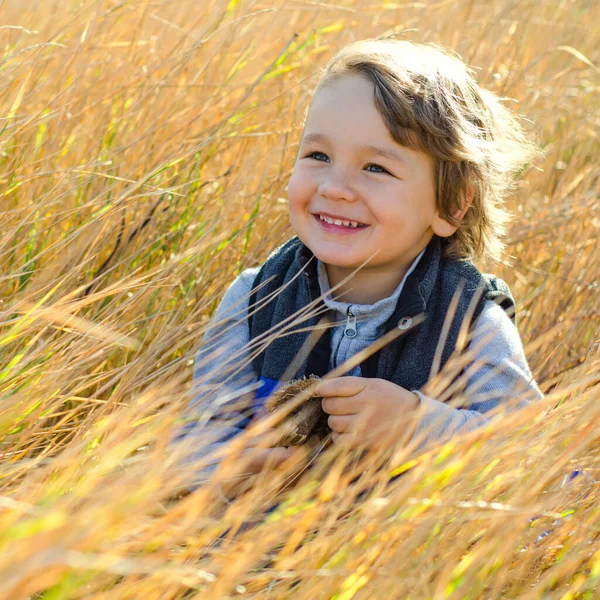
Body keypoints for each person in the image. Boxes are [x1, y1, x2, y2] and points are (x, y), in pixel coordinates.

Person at [172, 39, 543, 500]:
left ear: (452, 204)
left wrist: (416, 427)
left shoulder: (469, 321)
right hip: (257, 556)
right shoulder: (256, 299)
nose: (336, 187)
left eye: (375, 167)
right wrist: (230, 468)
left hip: (399, 559)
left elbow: (529, 456)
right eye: (318, 156)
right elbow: (197, 438)